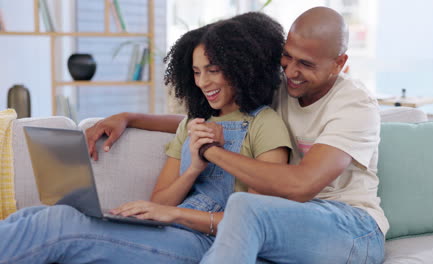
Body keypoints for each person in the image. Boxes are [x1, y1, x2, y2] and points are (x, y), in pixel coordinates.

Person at [87, 7, 388, 264]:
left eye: (306, 64)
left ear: (340, 64)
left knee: (244, 207)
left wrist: (210, 152)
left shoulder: (354, 105)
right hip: (288, 218)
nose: (291, 71)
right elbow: (212, 119)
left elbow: (301, 185)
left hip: (352, 228)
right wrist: (130, 117)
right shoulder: (286, 87)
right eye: (288, 57)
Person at [0, 13, 292, 264]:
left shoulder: (265, 125)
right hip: (167, 231)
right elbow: (160, 200)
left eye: (213, 71)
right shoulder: (194, 123)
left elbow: (253, 223)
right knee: (37, 214)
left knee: (59, 224)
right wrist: (192, 170)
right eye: (196, 72)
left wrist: (172, 215)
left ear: (242, 68)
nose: (203, 83)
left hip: (208, 245)